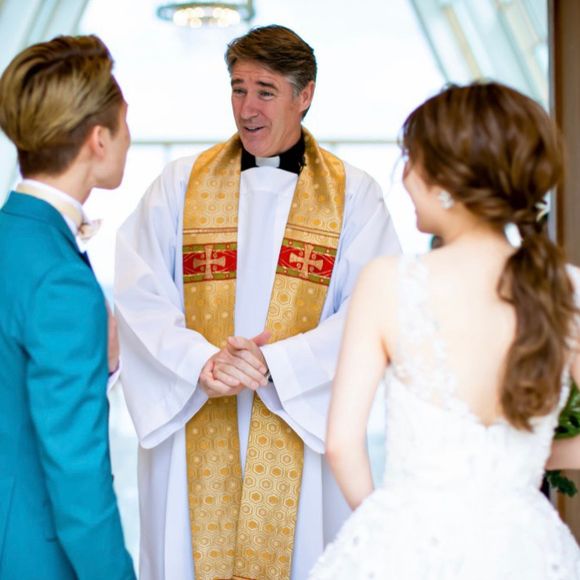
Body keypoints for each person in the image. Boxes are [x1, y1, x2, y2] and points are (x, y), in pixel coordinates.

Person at [115, 24, 400, 580]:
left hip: (301, 419)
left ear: (305, 94)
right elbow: (138, 290)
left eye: (265, 92)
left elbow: (374, 308)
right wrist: (199, 361)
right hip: (197, 407)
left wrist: (277, 364)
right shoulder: (181, 183)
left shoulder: (355, 195)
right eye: (238, 89)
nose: (246, 109)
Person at [309, 81, 580, 579]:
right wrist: (522, 458)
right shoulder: (566, 287)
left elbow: (342, 445)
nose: (405, 178)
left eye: (411, 161)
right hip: (528, 547)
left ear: (447, 180)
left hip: (408, 545)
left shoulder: (389, 281)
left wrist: (387, 531)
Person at [0, 35, 135, 579]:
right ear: (99, 139)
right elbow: (77, 475)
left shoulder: (14, 238)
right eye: (125, 122)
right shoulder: (61, 279)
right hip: (32, 555)